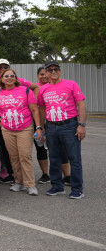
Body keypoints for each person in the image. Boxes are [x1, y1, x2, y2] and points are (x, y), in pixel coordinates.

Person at [0, 68, 41, 196]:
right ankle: (19, 182)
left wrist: (38, 127)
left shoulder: (26, 90)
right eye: (6, 76)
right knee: (14, 156)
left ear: (15, 78)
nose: (9, 78)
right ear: (2, 79)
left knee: (25, 156)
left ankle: (30, 184)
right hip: (7, 129)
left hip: (25, 128)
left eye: (12, 76)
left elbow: (35, 110)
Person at [36, 61, 87, 199]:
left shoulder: (71, 84)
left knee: (74, 158)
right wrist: (40, 127)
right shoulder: (43, 89)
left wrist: (81, 124)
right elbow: (42, 108)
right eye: (50, 70)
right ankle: (57, 186)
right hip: (51, 126)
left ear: (60, 71)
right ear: (45, 73)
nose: (53, 72)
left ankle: (77, 188)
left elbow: (81, 104)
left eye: (56, 69)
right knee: (54, 158)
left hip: (70, 126)